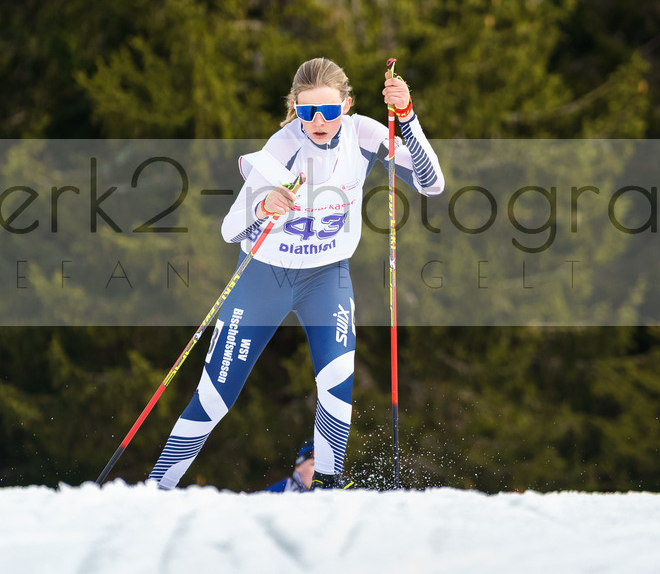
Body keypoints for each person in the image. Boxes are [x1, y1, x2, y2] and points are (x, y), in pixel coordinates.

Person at [148, 57, 444, 490]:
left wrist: (407, 117)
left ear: (346, 104)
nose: (318, 120)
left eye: (328, 109)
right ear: (295, 108)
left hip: (327, 277)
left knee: (337, 385)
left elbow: (430, 183)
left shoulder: (363, 134)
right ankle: (155, 490)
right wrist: (263, 206)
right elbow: (231, 229)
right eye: (307, 111)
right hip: (264, 279)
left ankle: (325, 490)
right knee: (215, 397)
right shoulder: (282, 148)